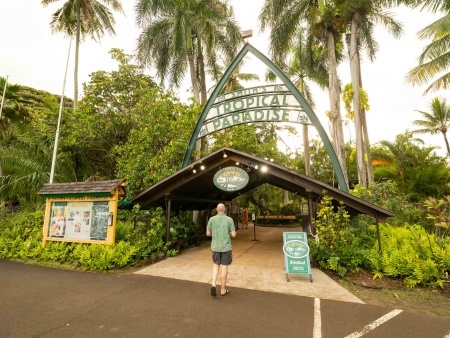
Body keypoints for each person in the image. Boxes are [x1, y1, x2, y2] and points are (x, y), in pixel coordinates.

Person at [206, 203, 236, 297]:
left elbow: (208, 233)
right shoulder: (229, 220)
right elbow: (233, 234)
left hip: (215, 246)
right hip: (226, 247)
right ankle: (223, 290)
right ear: (225, 210)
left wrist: (215, 235)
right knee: (224, 267)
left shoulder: (212, 219)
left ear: (216, 210)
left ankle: (213, 284)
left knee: (216, 265)